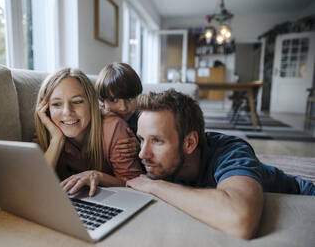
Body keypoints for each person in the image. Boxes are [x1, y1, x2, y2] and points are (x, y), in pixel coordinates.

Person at [126, 89, 315, 240]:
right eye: (141, 139)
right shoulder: (158, 161)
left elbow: (240, 220)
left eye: (157, 141)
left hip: (304, 196)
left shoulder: (230, 151)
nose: (143, 153)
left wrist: (154, 185)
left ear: (190, 143)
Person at [35, 67, 143, 196]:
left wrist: (99, 176)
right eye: (56, 104)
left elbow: (136, 186)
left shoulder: (115, 127)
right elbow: (34, 189)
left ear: (92, 103)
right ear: (46, 110)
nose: (67, 112)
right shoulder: (47, 132)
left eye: (77, 101)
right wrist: (56, 140)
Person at [95, 62, 143, 159]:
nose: (123, 107)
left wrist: (141, 146)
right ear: (102, 101)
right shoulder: (96, 120)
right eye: (114, 100)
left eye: (129, 99)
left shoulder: (142, 120)